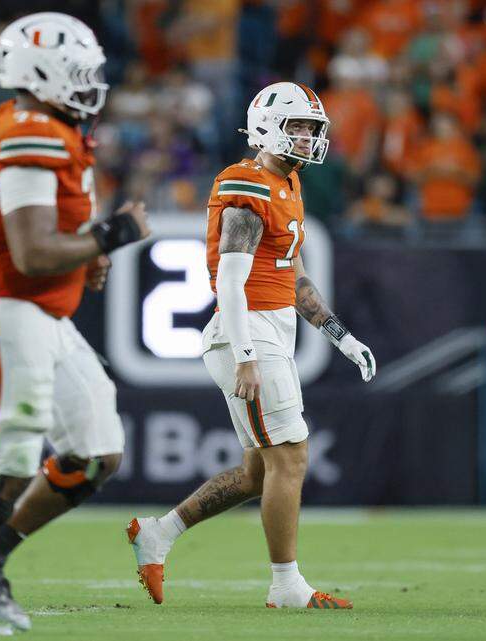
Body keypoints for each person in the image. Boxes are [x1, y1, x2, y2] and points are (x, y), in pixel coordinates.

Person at [0, 13, 150, 634]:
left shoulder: (50, 127)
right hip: (1, 308)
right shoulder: (28, 132)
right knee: (9, 464)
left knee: (96, 451)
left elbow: (56, 244)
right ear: (39, 72)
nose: (90, 81)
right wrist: (110, 235)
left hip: (42, 313)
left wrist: (89, 252)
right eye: (77, 69)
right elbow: (31, 251)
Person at [127, 81, 376, 609]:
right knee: (291, 456)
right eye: (297, 126)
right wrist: (244, 356)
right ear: (266, 125)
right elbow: (230, 283)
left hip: (271, 327)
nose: (308, 137)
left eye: (313, 128)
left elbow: (297, 280)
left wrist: (341, 337)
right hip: (247, 331)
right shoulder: (248, 184)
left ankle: (159, 534)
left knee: (257, 471)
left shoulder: (288, 184)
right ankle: (286, 585)